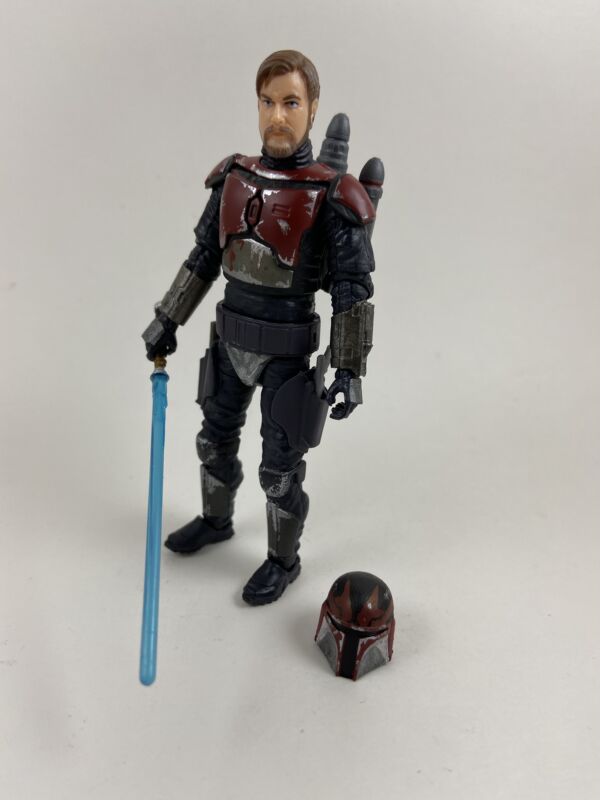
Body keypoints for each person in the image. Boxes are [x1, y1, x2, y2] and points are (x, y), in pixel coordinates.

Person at [142, 50, 378, 606]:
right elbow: (204, 258)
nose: (277, 115)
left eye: (290, 102)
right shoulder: (234, 176)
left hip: (286, 357)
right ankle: (215, 520)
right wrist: (167, 317)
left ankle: (282, 561)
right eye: (267, 102)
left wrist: (348, 369)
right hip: (229, 342)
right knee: (212, 441)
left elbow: (352, 289)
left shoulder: (330, 195)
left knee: (280, 472)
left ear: (312, 108)